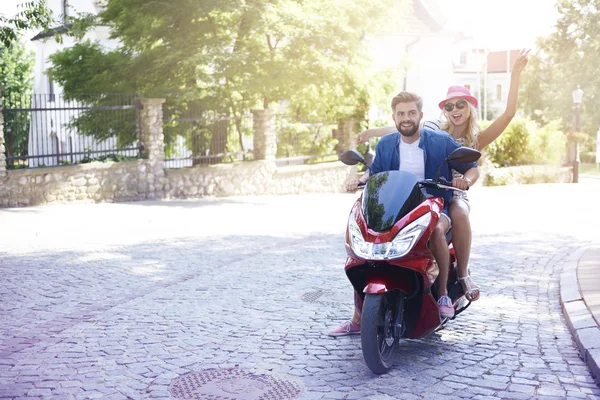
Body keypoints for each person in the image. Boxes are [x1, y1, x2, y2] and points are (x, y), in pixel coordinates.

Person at [353, 49, 530, 305]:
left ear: (469, 108)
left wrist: (514, 74)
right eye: (450, 106)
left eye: (461, 104)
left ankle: (463, 274)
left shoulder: (477, 139)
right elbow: (404, 128)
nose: (455, 109)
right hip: (425, 188)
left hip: (455, 188)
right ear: (444, 110)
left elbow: (508, 114)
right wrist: (372, 132)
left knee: (458, 212)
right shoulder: (436, 129)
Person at [330, 91, 480, 336]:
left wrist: (466, 180)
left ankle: (441, 294)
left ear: (420, 115)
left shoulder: (439, 141)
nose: (406, 118)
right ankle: (359, 318)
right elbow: (376, 172)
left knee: (436, 231)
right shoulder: (387, 143)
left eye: (411, 113)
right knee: (368, 244)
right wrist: (360, 179)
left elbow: (472, 167)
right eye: (401, 114)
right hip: (398, 205)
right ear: (394, 116)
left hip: (434, 203)